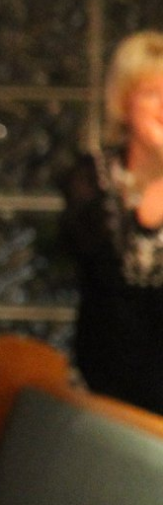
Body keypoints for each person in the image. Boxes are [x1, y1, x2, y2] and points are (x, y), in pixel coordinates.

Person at [61, 29, 163, 413]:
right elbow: (100, 273)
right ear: (125, 102)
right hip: (104, 396)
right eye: (152, 93)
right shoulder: (93, 178)